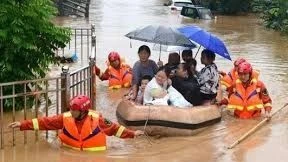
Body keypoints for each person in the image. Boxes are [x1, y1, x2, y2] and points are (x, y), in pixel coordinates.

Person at [8, 95, 144, 151]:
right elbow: (45, 122)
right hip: (69, 152)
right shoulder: (65, 118)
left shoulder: (99, 120)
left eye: (75, 110)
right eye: (71, 109)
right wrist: (23, 124)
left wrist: (133, 134)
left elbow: (115, 129)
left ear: (84, 111)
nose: (71, 112)